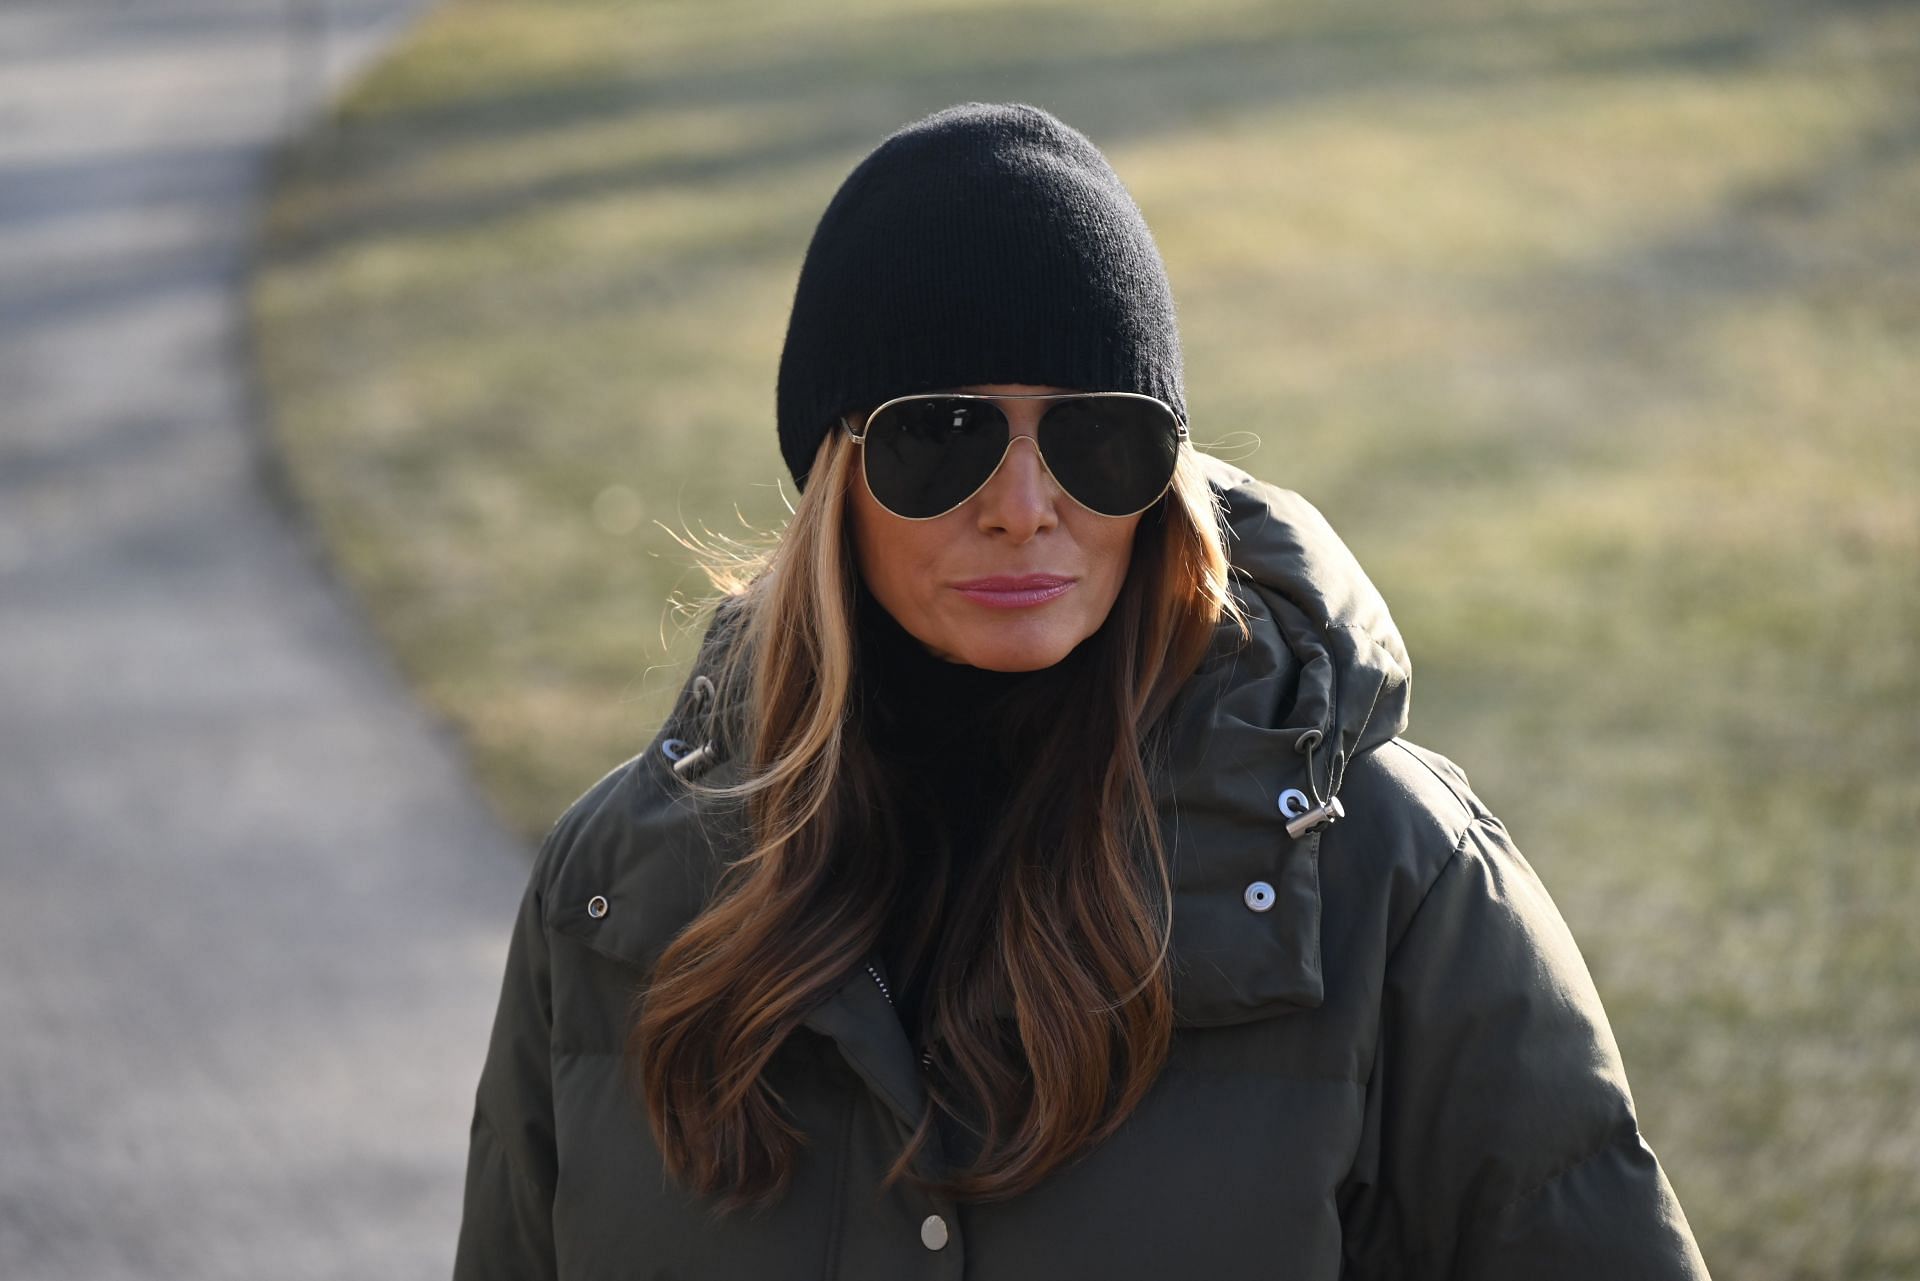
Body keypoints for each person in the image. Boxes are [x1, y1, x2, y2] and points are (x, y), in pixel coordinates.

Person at [452, 101, 1711, 1280]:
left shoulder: (1391, 876)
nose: (1021, 508)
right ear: (836, 474)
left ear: (1166, 479)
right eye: (939, 434)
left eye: (1097, 438)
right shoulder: (614, 889)